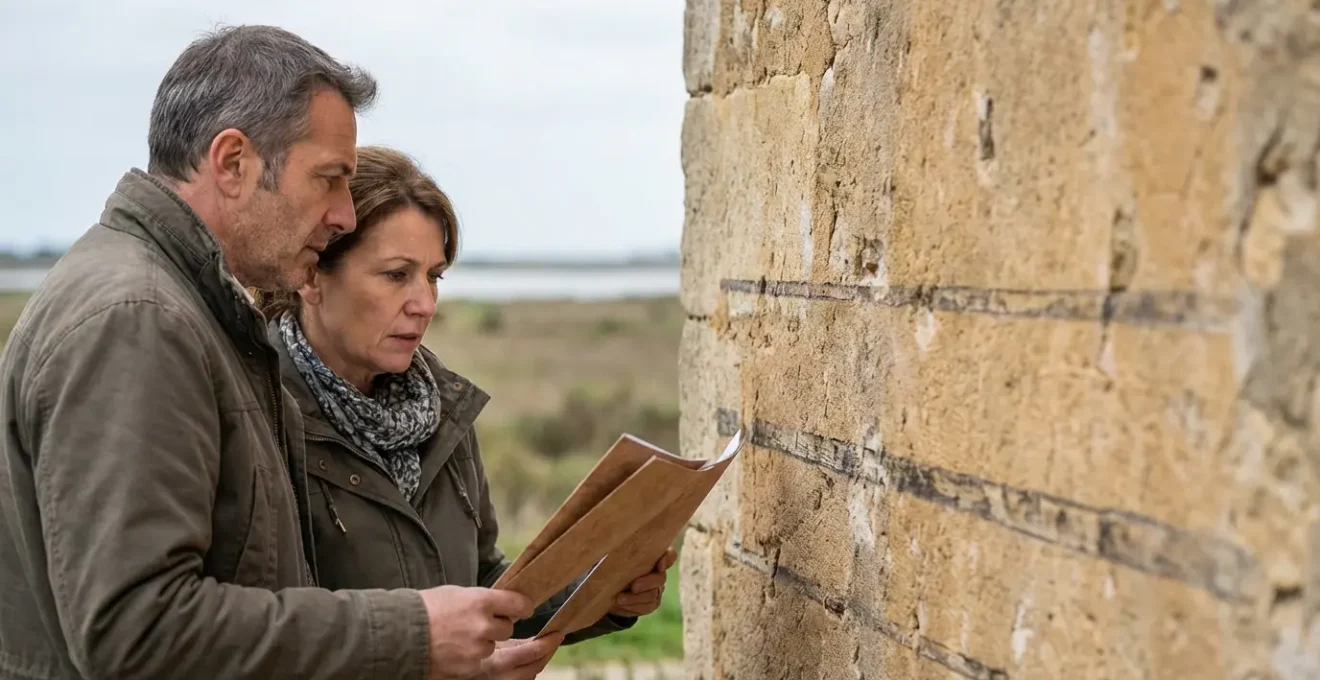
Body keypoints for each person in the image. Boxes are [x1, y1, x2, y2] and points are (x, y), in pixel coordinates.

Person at [0, 25, 557, 680]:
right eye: (329, 179)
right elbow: (136, 632)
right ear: (233, 163)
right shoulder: (139, 320)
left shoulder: (193, 310)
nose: (345, 214)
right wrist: (409, 635)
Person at [253, 145, 677, 651]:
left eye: (433, 276)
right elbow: (257, 635)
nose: (425, 304)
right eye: (396, 275)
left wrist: (600, 589)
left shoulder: (442, 409)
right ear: (312, 277)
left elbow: (481, 586)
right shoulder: (256, 415)